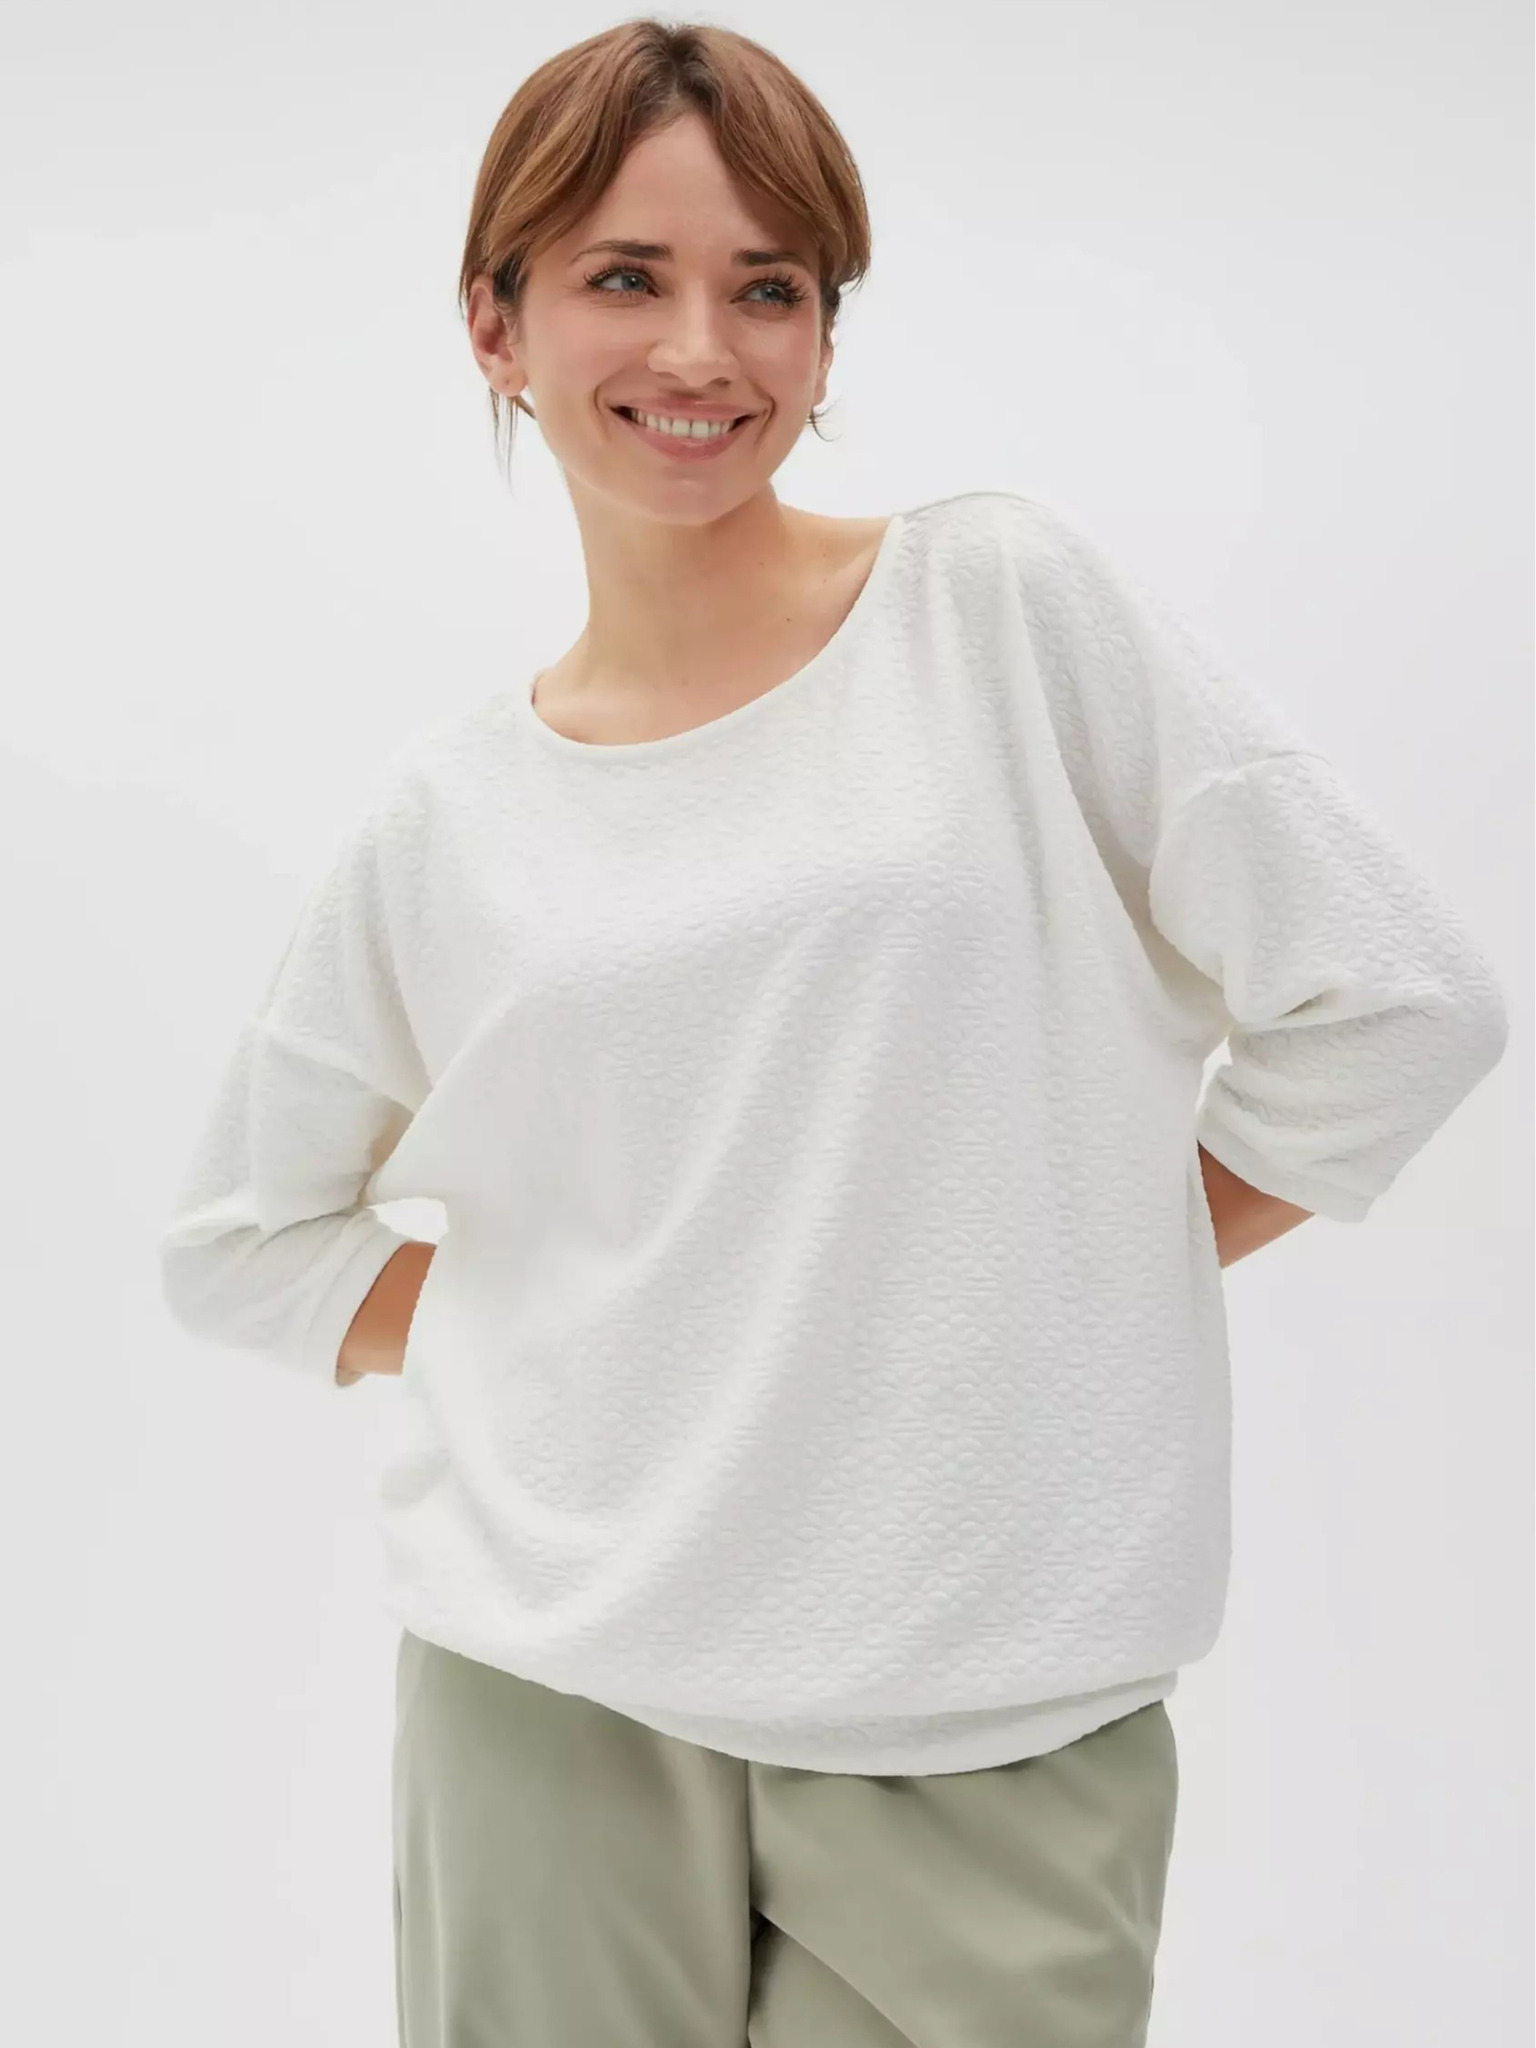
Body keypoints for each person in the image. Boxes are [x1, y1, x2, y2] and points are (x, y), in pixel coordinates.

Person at [156, 19, 1510, 2048]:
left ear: (820, 332)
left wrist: (1082, 1257)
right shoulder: (451, 818)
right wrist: (605, 1350)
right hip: (547, 1692)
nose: (702, 347)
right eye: (626, 275)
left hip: (984, 1694)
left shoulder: (999, 613)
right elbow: (241, 1241)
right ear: (495, 325)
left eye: (769, 286)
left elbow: (1401, 1003)